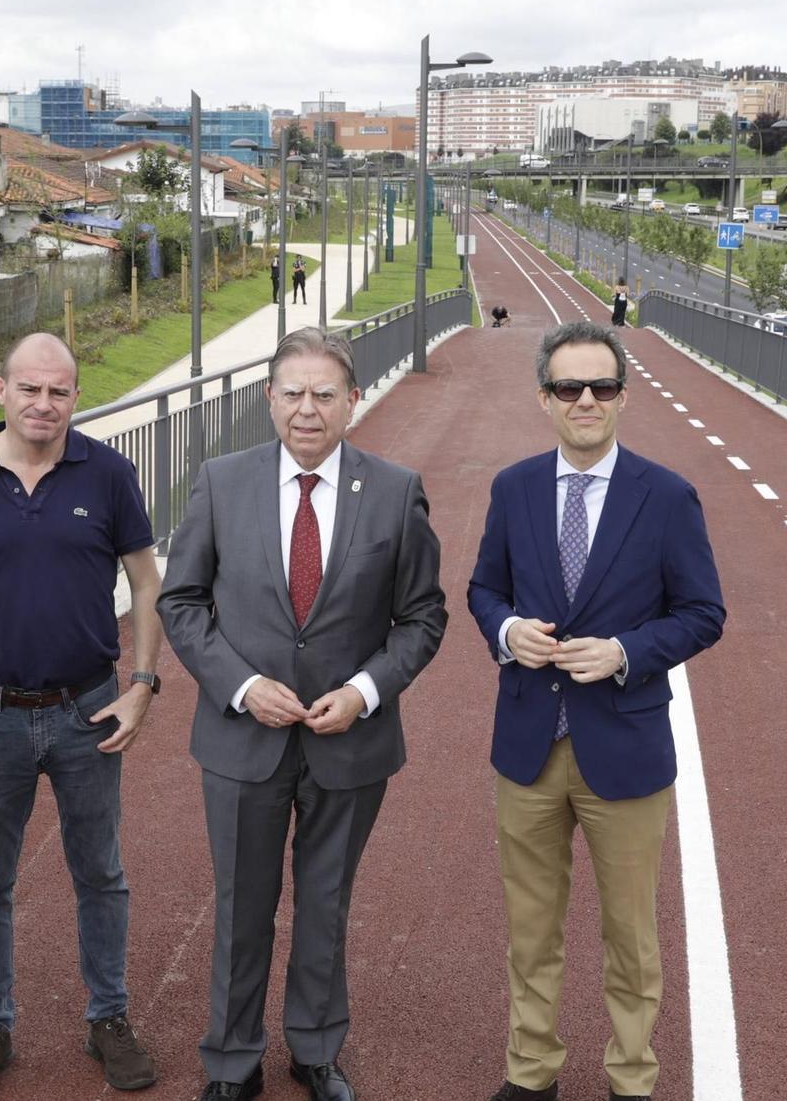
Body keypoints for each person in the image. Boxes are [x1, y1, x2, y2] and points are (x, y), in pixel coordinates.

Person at [159, 327, 448, 1101]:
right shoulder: (221, 481)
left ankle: (315, 1050)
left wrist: (365, 690)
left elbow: (423, 617)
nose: (308, 410)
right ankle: (231, 1060)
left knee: (326, 901)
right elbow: (181, 601)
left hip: (350, 742)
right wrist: (241, 684)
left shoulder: (395, 488)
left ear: (352, 400)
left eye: (325, 393)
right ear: (269, 399)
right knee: (240, 906)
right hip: (240, 736)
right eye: (292, 392)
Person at [467, 321, 725, 1101]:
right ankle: (532, 1071)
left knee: (631, 935)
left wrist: (626, 651)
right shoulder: (512, 487)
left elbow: (703, 612)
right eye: (570, 387)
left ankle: (632, 1076)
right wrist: (509, 632)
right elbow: (483, 590)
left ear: (622, 396)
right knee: (532, 927)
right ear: (544, 397)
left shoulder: (669, 495)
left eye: (602, 386)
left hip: (627, 743)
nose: (587, 400)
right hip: (528, 745)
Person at [0, 333, 166, 1100]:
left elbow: (148, 585)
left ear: (76, 396)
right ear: (0, 389)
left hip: (90, 707)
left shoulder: (110, 473)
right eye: (29, 389)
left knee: (102, 872)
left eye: (58, 391)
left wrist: (144, 683)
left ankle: (109, 1018)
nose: (43, 404)